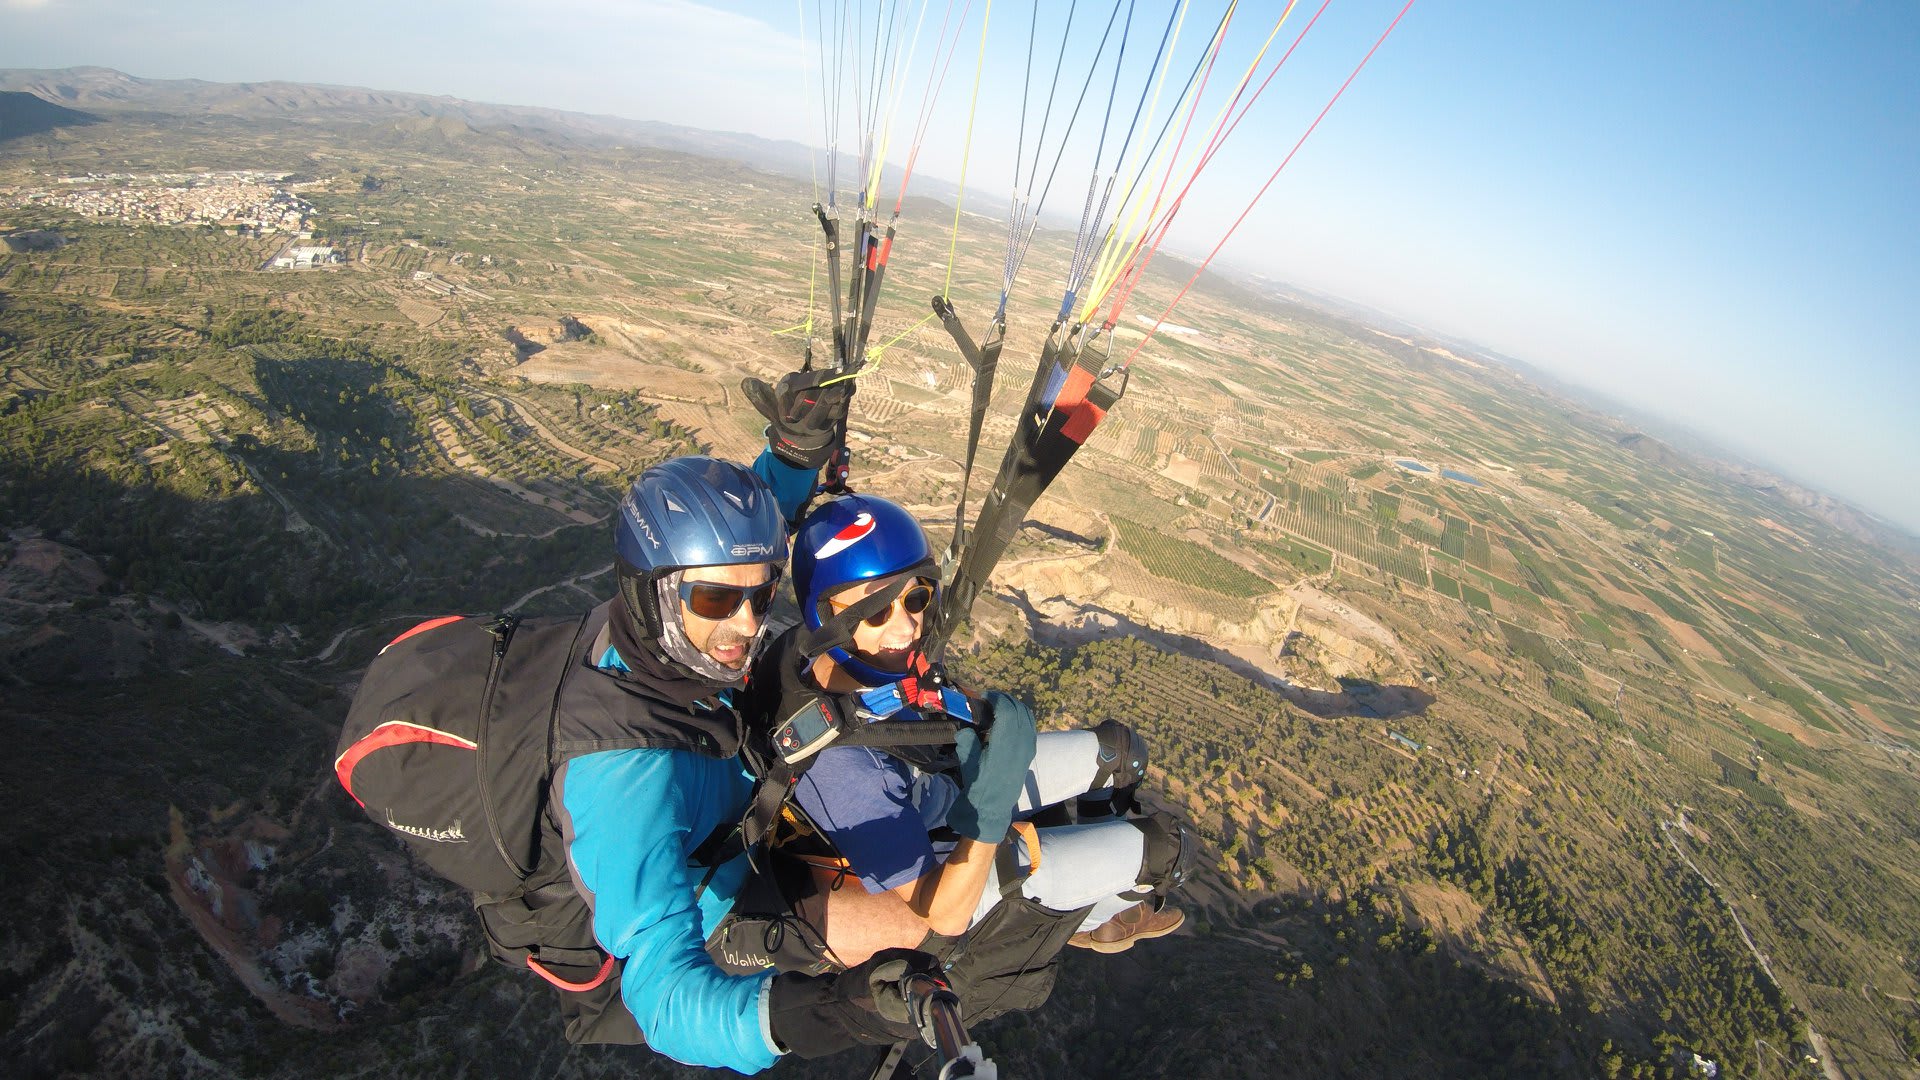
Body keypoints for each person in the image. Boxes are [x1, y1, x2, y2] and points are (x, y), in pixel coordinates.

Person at [536, 455, 945, 1069]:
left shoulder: (665, 635)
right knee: (916, 926)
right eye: (719, 598)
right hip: (715, 905)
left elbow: (724, 548)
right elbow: (664, 999)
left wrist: (790, 459)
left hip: (741, 821)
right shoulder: (621, 778)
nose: (748, 623)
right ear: (657, 592)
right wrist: (817, 1015)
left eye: (762, 593)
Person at [729, 491, 1192, 982]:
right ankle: (1100, 912)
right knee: (1167, 850)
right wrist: (991, 809)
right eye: (877, 611)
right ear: (829, 616)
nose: (906, 626)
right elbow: (941, 914)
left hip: (939, 783)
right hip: (948, 863)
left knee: (1120, 753)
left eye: (915, 598)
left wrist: (977, 709)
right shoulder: (845, 770)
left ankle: (1094, 891)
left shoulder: (809, 651)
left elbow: (915, 683)